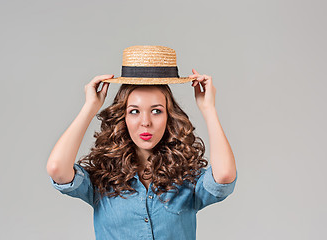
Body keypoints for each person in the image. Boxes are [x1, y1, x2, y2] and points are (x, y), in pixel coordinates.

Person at [46, 45, 238, 240]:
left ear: (169, 117)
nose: (145, 122)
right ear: (123, 117)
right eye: (134, 111)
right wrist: (90, 107)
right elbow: (57, 169)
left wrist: (209, 109)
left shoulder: (186, 179)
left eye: (156, 111)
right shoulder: (102, 180)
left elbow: (224, 175)